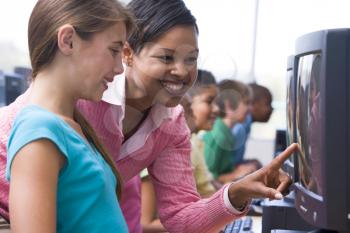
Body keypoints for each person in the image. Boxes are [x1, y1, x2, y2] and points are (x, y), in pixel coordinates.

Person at [0, 0, 297, 232]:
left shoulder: (170, 123)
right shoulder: (79, 95)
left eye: (191, 59)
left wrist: (237, 193)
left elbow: (180, 217)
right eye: (166, 57)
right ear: (129, 53)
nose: (182, 72)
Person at [3, 0, 134, 232]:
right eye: (114, 50)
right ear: (68, 40)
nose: (119, 68)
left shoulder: (70, 126)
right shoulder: (38, 131)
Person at [204, 79, 258, 183]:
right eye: (247, 103)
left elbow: (223, 171)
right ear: (228, 105)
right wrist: (236, 174)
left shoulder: (228, 134)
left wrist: (240, 169)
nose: (250, 108)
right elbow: (207, 179)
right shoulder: (218, 135)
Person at [231, 83, 273, 165]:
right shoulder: (243, 124)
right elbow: (231, 163)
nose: (271, 109)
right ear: (254, 105)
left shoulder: (246, 123)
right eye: (268, 104)